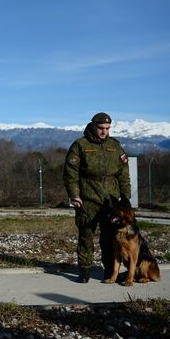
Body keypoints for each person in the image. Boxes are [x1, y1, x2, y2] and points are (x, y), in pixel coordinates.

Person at [63, 112, 131, 283]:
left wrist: (125, 197)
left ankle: (110, 271)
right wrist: (74, 195)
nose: (104, 132)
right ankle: (84, 271)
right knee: (86, 235)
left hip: (111, 201)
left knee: (109, 237)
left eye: (107, 128)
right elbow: (70, 173)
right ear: (92, 125)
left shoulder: (115, 146)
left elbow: (123, 173)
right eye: (101, 128)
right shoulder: (80, 145)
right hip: (87, 199)